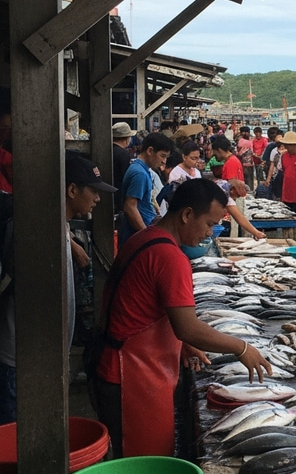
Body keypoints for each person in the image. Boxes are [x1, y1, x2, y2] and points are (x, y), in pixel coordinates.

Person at [93, 178, 273, 457]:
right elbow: (187, 327)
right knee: (142, 465)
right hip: (131, 377)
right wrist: (242, 348)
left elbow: (142, 307)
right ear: (187, 214)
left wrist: (182, 344)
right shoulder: (170, 257)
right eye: (210, 224)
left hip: (116, 364)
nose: (210, 233)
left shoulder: (144, 237)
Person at [0, 152, 116, 424]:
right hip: (23, 361)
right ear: (72, 190)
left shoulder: (58, 225)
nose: (98, 199)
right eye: (93, 191)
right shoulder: (39, 235)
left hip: (41, 359)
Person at [118, 131, 174, 248]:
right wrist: (146, 236)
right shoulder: (140, 174)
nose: (164, 161)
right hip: (135, 235)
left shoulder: (142, 169)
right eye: (162, 156)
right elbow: (130, 207)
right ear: (150, 151)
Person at [278, 131, 296, 236]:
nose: (286, 147)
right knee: (287, 219)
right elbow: (283, 171)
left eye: (288, 145)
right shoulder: (284, 156)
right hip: (287, 193)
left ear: (295, 145)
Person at [111, 122, 133, 212]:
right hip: (118, 195)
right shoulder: (123, 154)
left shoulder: (106, 150)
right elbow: (126, 178)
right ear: (127, 139)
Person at [236, 125, 255, 191]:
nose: (245, 133)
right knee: (246, 181)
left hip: (249, 164)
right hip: (243, 164)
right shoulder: (242, 141)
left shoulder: (246, 140)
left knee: (248, 181)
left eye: (246, 132)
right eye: (243, 132)